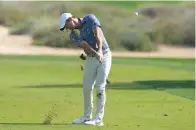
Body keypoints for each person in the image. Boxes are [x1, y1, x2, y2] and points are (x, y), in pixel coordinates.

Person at [59, 12, 112, 126]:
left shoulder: (90, 18)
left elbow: (98, 34)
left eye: (66, 26)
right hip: (91, 58)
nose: (67, 29)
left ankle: (98, 119)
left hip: (105, 55)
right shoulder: (73, 35)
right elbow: (85, 46)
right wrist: (95, 54)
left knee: (100, 87)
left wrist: (99, 52)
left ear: (70, 19)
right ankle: (86, 116)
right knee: (87, 87)